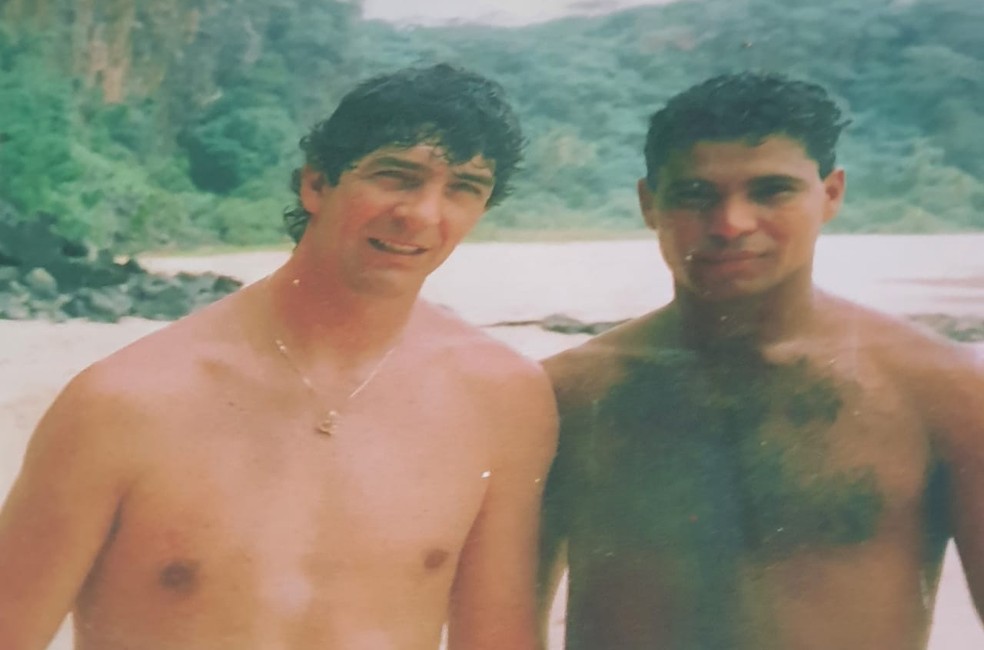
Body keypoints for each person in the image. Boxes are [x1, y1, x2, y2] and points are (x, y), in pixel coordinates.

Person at [0, 63, 558, 650]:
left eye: (463, 189)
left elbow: (498, 638)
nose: (422, 214)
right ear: (315, 183)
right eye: (396, 176)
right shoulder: (122, 403)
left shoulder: (502, 400)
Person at [539, 72, 984, 649]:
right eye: (695, 194)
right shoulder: (566, 394)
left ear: (831, 195)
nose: (731, 224)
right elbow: (502, 628)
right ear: (649, 203)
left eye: (772, 191)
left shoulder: (943, 390)